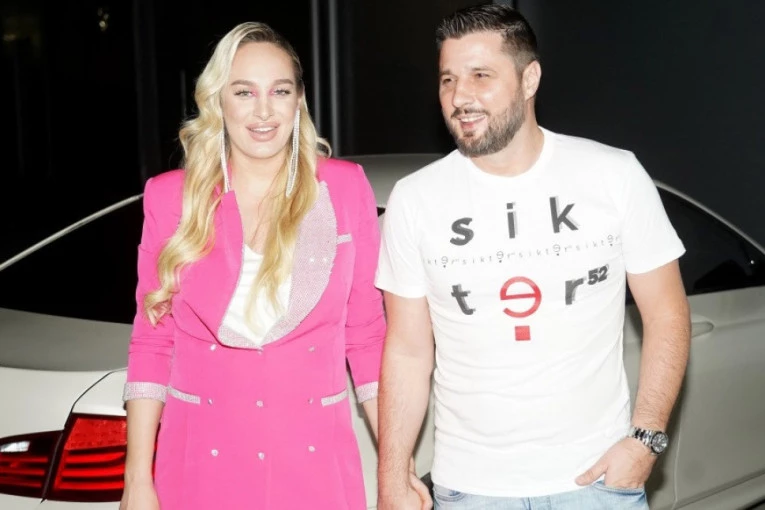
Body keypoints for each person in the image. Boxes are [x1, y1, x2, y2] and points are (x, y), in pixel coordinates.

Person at [375, 4, 690, 510]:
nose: (460, 96)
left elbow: (667, 315)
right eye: (448, 79)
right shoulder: (415, 200)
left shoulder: (613, 175)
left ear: (530, 79)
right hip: (471, 489)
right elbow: (408, 350)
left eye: (481, 75)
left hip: (597, 482)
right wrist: (392, 475)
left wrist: (645, 440)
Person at [119, 22, 385, 510]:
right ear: (219, 101)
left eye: (279, 91)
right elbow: (153, 341)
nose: (263, 111)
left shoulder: (345, 189)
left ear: (298, 100)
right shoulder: (171, 197)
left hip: (315, 469)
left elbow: (367, 337)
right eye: (244, 92)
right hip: (198, 468)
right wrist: (137, 481)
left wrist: (395, 468)